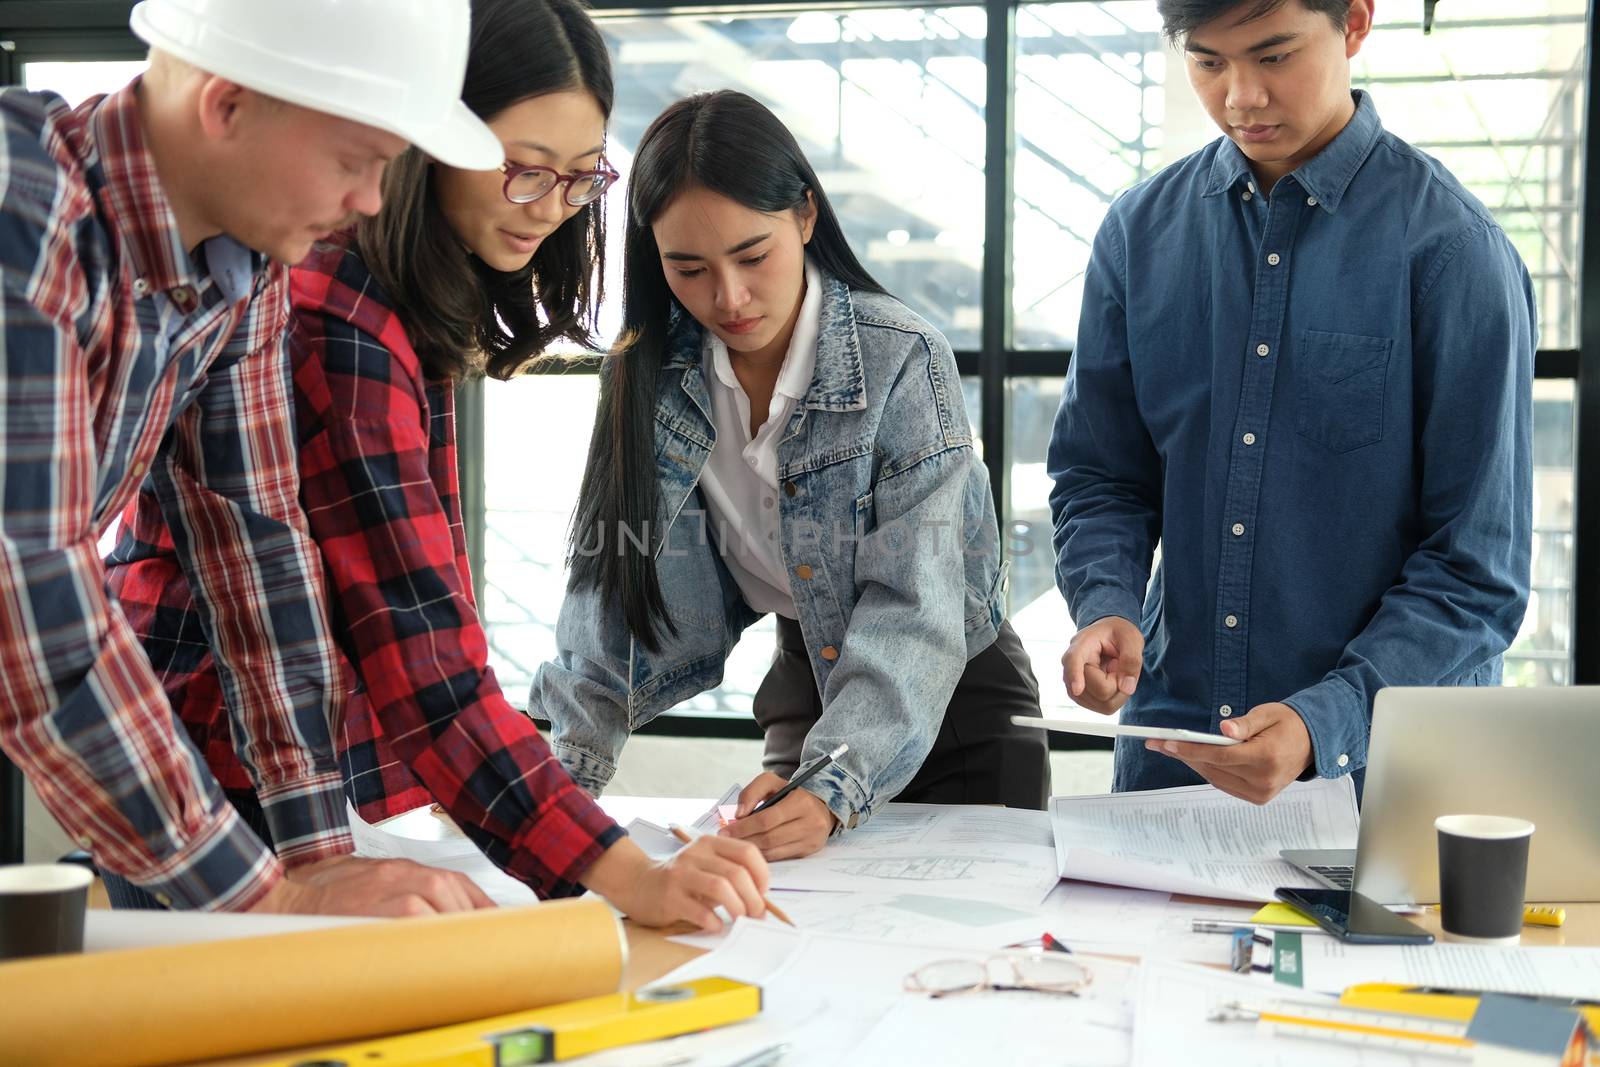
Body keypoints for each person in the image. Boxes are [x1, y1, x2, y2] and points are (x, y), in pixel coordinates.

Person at [106, 0, 770, 931]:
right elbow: (421, 661)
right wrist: (623, 873)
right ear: (428, 135)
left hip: (266, 775)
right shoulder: (332, 313)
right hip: (209, 772)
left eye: (580, 179)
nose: (550, 207)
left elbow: (326, 615)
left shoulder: (403, 295)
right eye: (523, 170)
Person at [0, 0, 510, 913]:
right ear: (227, 103)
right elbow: (29, 592)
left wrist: (314, 855)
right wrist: (267, 901)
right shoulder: (21, 211)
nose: (372, 202)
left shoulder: (241, 265)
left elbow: (257, 551)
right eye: (358, 160)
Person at [538, 90, 1050, 862]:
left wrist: (833, 783)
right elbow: (609, 590)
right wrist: (553, 783)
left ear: (805, 216)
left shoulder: (901, 357)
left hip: (957, 706)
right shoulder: (647, 373)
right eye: (689, 268)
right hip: (806, 691)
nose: (729, 298)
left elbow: (917, 605)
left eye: (753, 255)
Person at [1047, 0, 1534, 803]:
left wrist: (1324, 721)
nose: (1240, 97)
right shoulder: (1139, 233)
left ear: (1354, 24)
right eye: (1208, 63)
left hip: (1384, 784)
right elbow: (1104, 475)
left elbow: (1476, 570)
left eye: (1273, 57)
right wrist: (1107, 604)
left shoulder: (1453, 250)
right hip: (1175, 758)